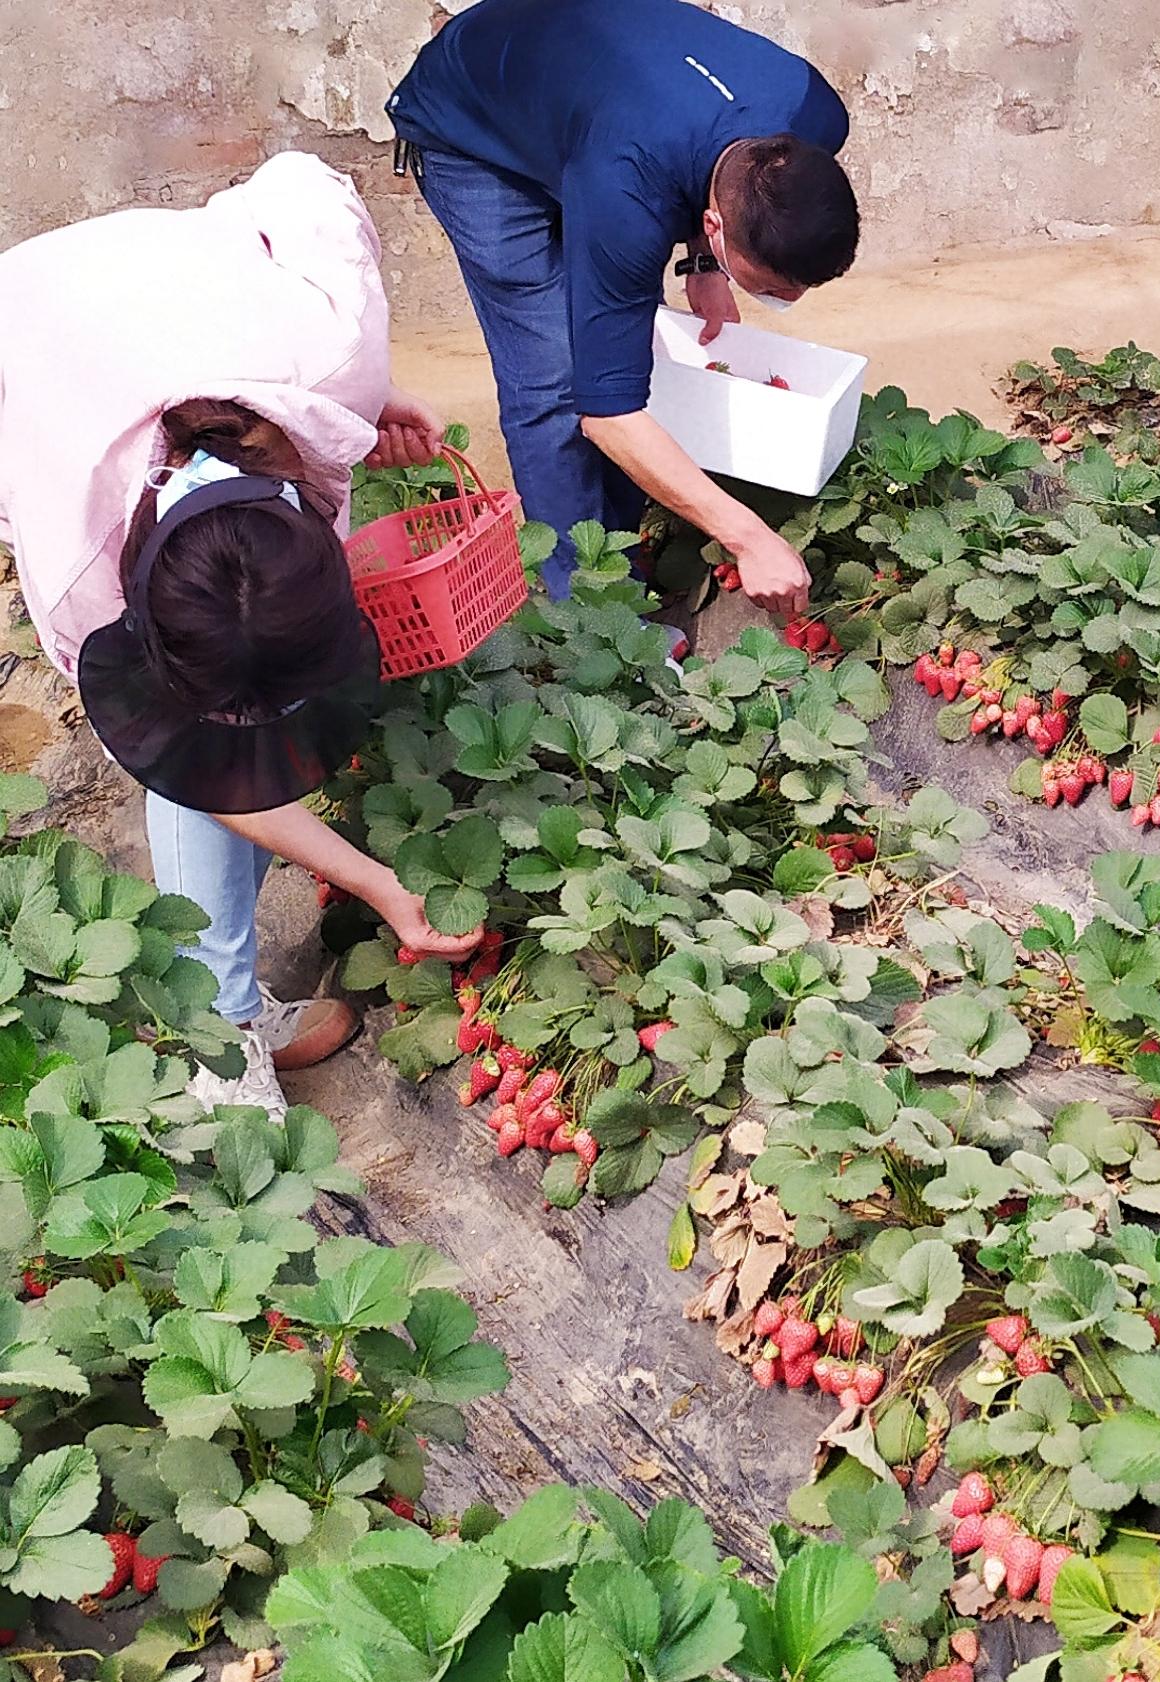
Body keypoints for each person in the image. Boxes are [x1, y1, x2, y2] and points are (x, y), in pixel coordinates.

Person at [0, 153, 487, 1115]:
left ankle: (219, 1003)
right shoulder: (81, 577)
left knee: (255, 725)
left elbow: (302, 180)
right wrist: (383, 885)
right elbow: (202, 772)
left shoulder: (334, 347)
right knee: (206, 757)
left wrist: (328, 410)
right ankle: (212, 1035)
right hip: (34, 335)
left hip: (164, 292)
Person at [386, 0, 858, 609]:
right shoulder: (627, 194)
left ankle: (620, 560)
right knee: (555, 381)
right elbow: (608, 414)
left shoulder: (813, 115)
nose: (786, 300)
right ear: (713, 223)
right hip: (473, 128)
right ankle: (590, 614)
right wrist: (749, 537)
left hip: (587, 99)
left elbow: (726, 175)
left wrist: (705, 263)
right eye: (769, 286)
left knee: (618, 354)